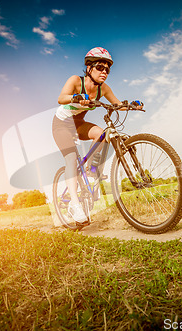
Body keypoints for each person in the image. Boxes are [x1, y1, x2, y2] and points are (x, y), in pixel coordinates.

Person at [52, 47, 142, 224]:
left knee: (101, 134)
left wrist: (131, 105)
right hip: (62, 124)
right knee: (71, 159)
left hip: (78, 125)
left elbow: (118, 105)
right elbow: (61, 98)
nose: (105, 72)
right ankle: (75, 206)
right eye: (100, 68)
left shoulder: (104, 89)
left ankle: (91, 171)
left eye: (107, 69)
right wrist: (76, 97)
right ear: (89, 68)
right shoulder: (76, 81)